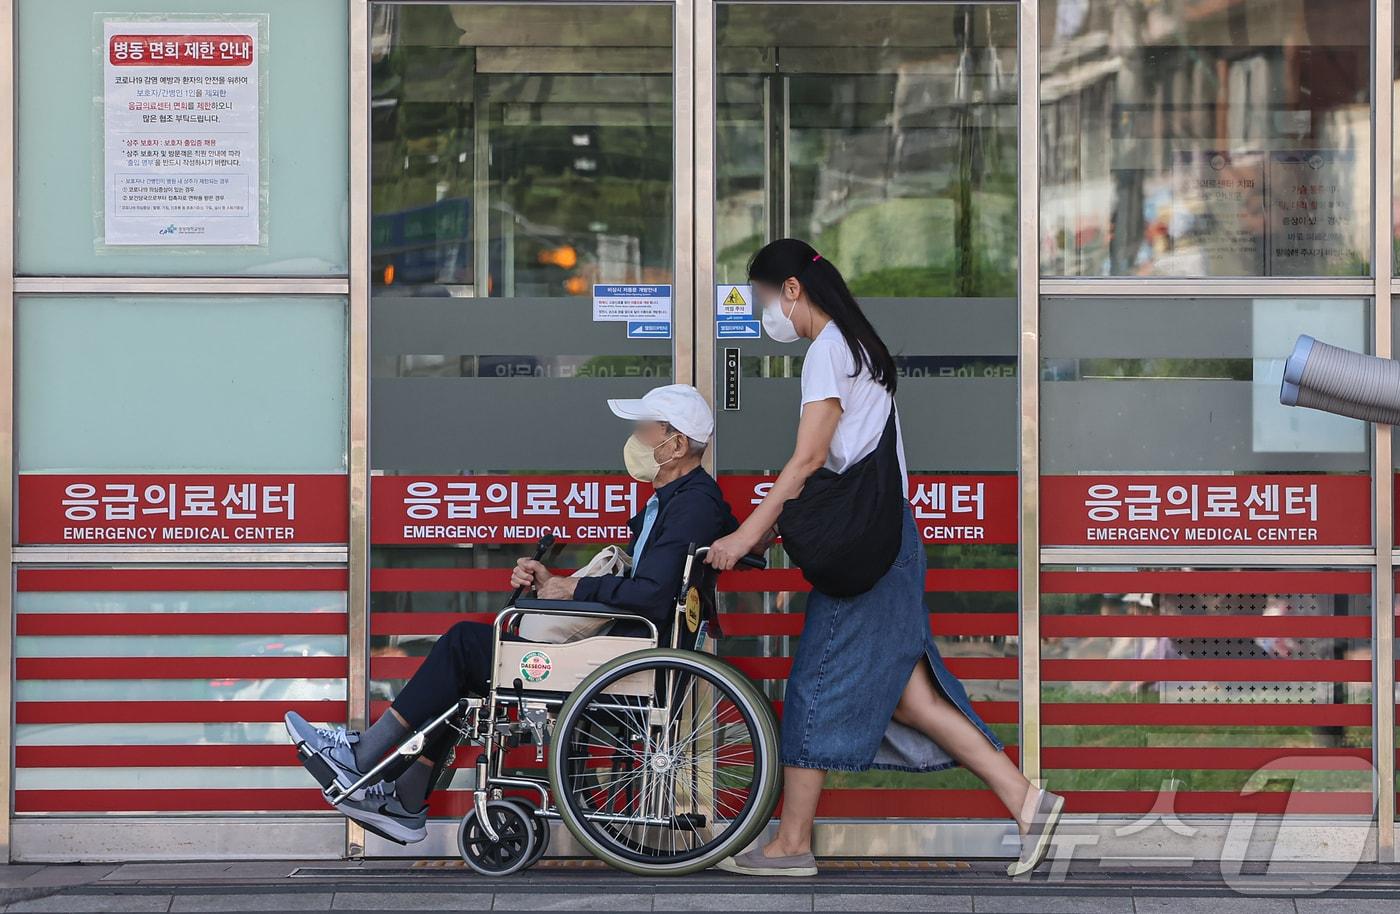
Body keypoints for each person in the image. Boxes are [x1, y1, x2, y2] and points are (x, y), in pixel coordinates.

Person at [703, 238, 1064, 878]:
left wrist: (743, 536)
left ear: (791, 291)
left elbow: (810, 460)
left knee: (815, 684)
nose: (764, 312)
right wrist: (764, 534)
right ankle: (1027, 802)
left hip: (869, 554)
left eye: (763, 297)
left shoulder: (826, 350)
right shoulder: (858, 346)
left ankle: (790, 846)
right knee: (914, 700)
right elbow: (838, 469)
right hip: (890, 540)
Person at [284, 384, 741, 843]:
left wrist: (574, 587)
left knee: (466, 644)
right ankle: (403, 799)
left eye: (645, 430)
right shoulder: (675, 500)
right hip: (618, 645)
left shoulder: (693, 504)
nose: (635, 441)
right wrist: (554, 583)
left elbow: (653, 594)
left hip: (628, 655)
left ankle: (366, 758)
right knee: (470, 671)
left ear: (677, 444)